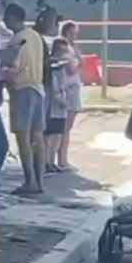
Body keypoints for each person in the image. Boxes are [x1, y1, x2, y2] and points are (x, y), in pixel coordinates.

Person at [0, 4, 46, 195]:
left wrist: (3, 75)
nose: (4, 21)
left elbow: (13, 67)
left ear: (12, 18)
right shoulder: (35, 36)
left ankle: (30, 181)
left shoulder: (17, 40)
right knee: (37, 137)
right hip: (37, 88)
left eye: (6, 18)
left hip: (21, 90)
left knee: (23, 138)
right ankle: (40, 181)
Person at [56, 20, 84, 172]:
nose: (74, 36)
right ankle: (62, 160)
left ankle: (62, 159)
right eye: (71, 33)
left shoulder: (73, 48)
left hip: (73, 87)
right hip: (68, 88)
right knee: (64, 128)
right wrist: (78, 60)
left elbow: (81, 62)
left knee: (67, 128)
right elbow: (72, 68)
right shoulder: (64, 48)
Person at [44, 38, 71, 173]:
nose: (63, 53)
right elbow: (54, 85)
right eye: (61, 50)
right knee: (50, 135)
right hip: (53, 104)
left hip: (62, 104)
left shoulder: (63, 66)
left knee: (58, 134)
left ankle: (52, 161)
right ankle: (47, 162)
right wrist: (59, 98)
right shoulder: (53, 65)